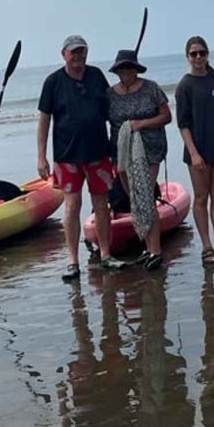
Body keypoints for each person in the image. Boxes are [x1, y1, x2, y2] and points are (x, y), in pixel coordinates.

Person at [38, 34, 125, 280]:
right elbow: (44, 119)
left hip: (98, 153)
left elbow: (111, 109)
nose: (78, 56)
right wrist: (41, 157)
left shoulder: (96, 75)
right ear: (63, 54)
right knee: (72, 205)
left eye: (82, 51)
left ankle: (106, 255)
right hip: (67, 156)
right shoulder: (53, 82)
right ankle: (72, 261)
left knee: (101, 204)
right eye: (74, 51)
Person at [107, 49, 172, 271]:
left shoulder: (151, 88)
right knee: (133, 197)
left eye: (130, 67)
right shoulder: (110, 94)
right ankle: (146, 245)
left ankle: (156, 250)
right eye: (122, 68)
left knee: (145, 193)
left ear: (136, 69)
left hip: (150, 148)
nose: (126, 72)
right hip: (122, 151)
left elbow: (166, 116)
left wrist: (140, 124)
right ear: (117, 71)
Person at [174, 36, 214, 263]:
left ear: (207, 54)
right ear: (188, 57)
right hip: (197, 151)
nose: (198, 57)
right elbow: (183, 124)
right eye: (193, 54)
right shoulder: (184, 86)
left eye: (201, 53)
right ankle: (206, 246)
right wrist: (194, 153)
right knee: (201, 197)